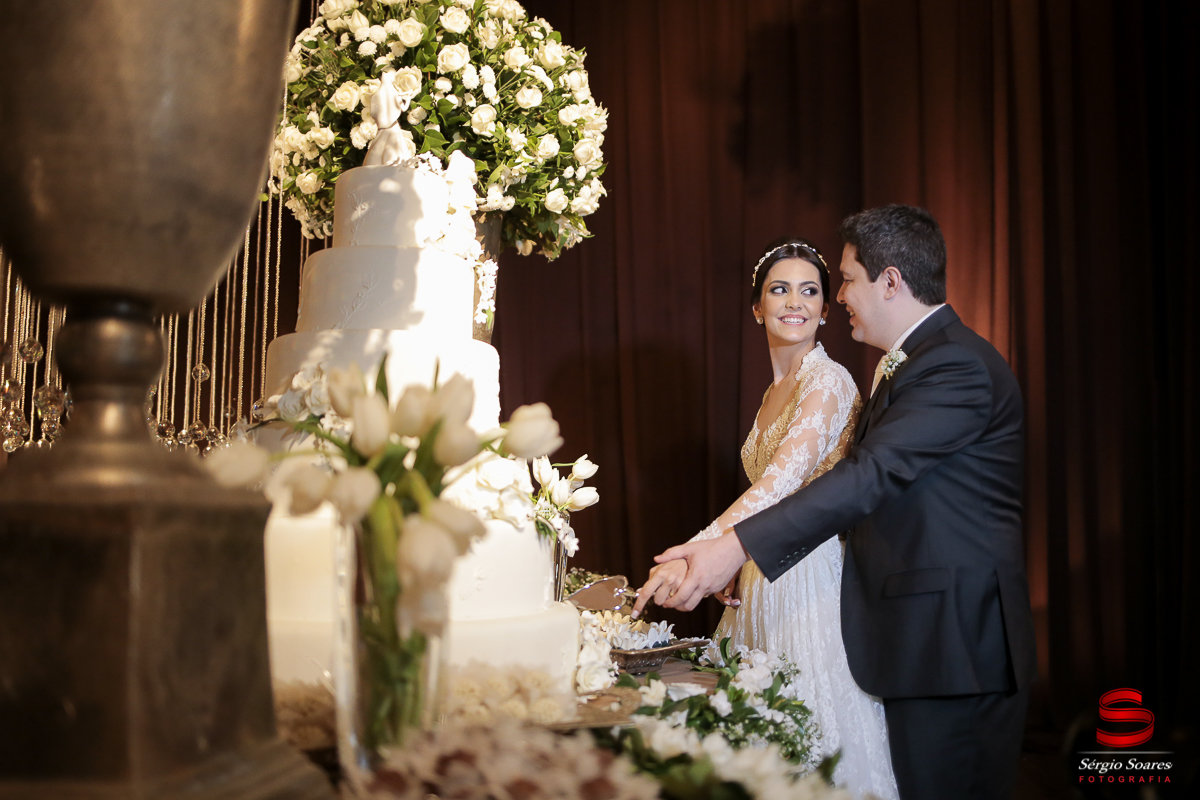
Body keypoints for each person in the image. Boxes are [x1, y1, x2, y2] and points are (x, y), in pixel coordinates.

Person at [634, 205, 1038, 800]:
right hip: (913, 637)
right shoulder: (914, 362)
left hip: (954, 647)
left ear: (891, 281)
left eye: (845, 279)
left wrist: (731, 547)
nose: (838, 294)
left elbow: (868, 475)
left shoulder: (955, 365)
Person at [639, 238, 899, 799]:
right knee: (753, 737)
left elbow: (780, 486)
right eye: (779, 289)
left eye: (810, 292)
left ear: (826, 310)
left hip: (809, 580)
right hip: (761, 571)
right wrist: (727, 557)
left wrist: (698, 550)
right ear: (757, 306)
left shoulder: (826, 382)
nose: (794, 302)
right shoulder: (773, 391)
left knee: (806, 730)